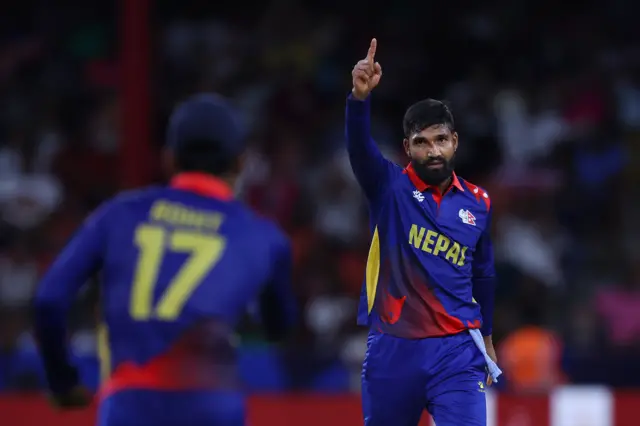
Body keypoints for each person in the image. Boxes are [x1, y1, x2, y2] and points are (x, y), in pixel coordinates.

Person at [33, 93, 297, 426]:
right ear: (241, 163)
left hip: (130, 407)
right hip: (213, 407)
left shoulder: (118, 214)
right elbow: (279, 328)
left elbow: (49, 300)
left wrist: (63, 384)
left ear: (168, 159)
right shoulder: (263, 235)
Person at [347, 39, 501, 426]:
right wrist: (359, 99)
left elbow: (483, 273)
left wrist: (490, 338)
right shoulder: (389, 187)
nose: (433, 151)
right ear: (407, 148)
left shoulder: (478, 203)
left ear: (455, 143)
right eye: (422, 143)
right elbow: (359, 149)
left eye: (441, 141)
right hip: (394, 346)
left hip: (457, 350)